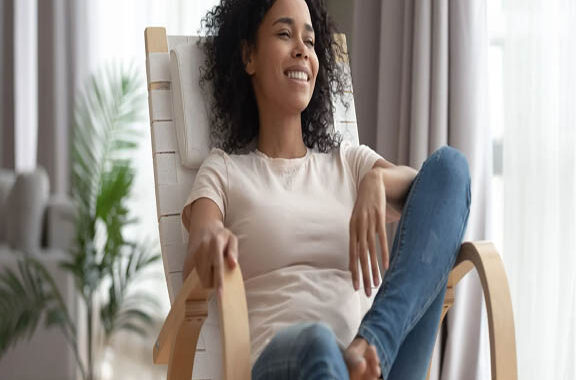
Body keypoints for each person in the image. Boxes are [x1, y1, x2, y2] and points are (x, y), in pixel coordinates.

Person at [181, 0, 471, 379]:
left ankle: (371, 345)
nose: (302, 48)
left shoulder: (349, 163)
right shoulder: (224, 170)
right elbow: (199, 244)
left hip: (378, 366)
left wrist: (376, 180)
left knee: (451, 165)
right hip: (286, 362)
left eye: (310, 40)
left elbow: (439, 193)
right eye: (285, 34)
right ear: (248, 56)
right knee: (318, 342)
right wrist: (213, 241)